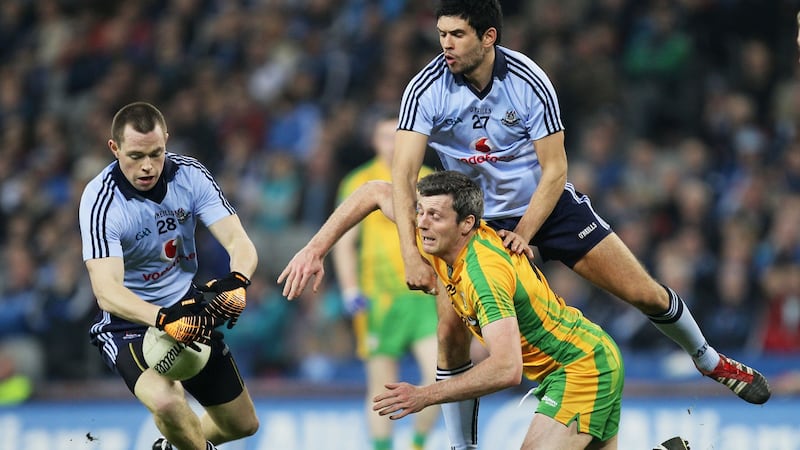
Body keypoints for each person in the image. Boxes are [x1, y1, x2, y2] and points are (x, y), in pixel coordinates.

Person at [390, 0, 770, 408]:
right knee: (450, 333)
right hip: (474, 219)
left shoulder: (528, 80)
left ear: (488, 37)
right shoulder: (425, 88)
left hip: (547, 207)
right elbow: (402, 175)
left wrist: (524, 234)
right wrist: (410, 254)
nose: (445, 45)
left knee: (644, 293)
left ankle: (708, 359)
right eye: (442, 34)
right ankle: (460, 445)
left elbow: (555, 170)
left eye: (457, 35)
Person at [280, 171, 625, 449]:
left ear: (466, 224)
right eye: (421, 213)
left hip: (582, 368)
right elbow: (372, 191)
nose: (422, 223)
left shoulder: (484, 276)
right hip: (580, 361)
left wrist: (425, 395)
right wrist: (315, 249)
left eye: (435, 216)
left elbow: (506, 369)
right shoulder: (437, 238)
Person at [79, 102, 259, 450]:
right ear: (114, 148)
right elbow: (106, 291)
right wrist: (163, 319)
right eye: (135, 156)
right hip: (127, 323)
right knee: (167, 402)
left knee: (242, 424)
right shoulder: (101, 201)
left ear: (167, 142)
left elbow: (239, 240)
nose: (147, 166)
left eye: (156, 153)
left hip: (186, 309)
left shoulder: (190, 175)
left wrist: (238, 281)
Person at [331, 113, 439, 450]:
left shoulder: (431, 181)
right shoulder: (358, 182)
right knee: (381, 388)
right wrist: (350, 290)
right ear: (374, 142)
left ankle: (417, 444)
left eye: (399, 136)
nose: (393, 144)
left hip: (426, 296)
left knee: (440, 378)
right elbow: (344, 243)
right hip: (379, 299)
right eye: (385, 137)